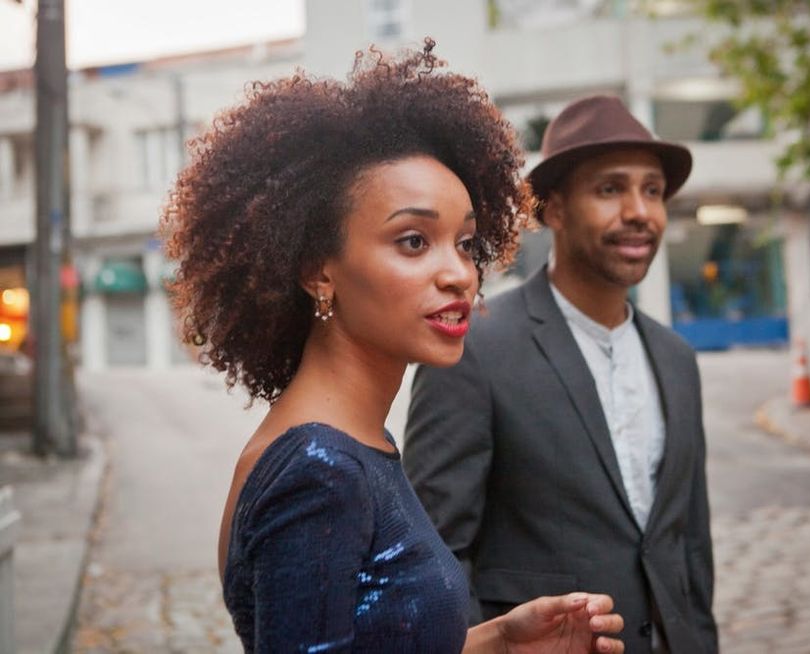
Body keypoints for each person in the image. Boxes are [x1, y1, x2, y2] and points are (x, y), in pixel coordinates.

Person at [161, 42, 625, 654]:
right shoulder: (319, 469)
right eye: (412, 241)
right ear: (317, 271)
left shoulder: (355, 444)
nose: (459, 272)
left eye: (464, 243)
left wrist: (495, 644)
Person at [404, 95, 718, 654]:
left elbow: (689, 547)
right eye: (609, 189)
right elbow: (437, 555)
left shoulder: (677, 359)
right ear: (551, 210)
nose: (639, 211)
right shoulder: (475, 349)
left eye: (652, 190)